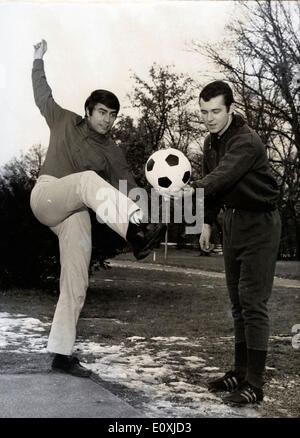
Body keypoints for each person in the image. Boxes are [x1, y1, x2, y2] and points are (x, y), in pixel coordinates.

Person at [31, 40, 166, 377]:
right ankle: (135, 235)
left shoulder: (112, 152)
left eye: (113, 115)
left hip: (74, 214)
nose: (107, 120)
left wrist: (148, 216)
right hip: (47, 196)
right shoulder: (63, 120)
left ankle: (61, 354)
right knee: (87, 179)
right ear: (89, 110)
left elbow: (130, 190)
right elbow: (41, 94)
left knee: (76, 279)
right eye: (102, 113)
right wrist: (37, 59)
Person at [192, 81, 281, 405]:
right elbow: (214, 190)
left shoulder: (246, 141)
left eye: (216, 111)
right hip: (232, 222)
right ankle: (240, 372)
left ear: (231, 109)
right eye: (204, 112)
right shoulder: (210, 142)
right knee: (237, 304)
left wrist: (190, 190)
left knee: (253, 303)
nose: (209, 118)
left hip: (260, 223)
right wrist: (206, 224)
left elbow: (221, 177)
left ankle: (254, 384)